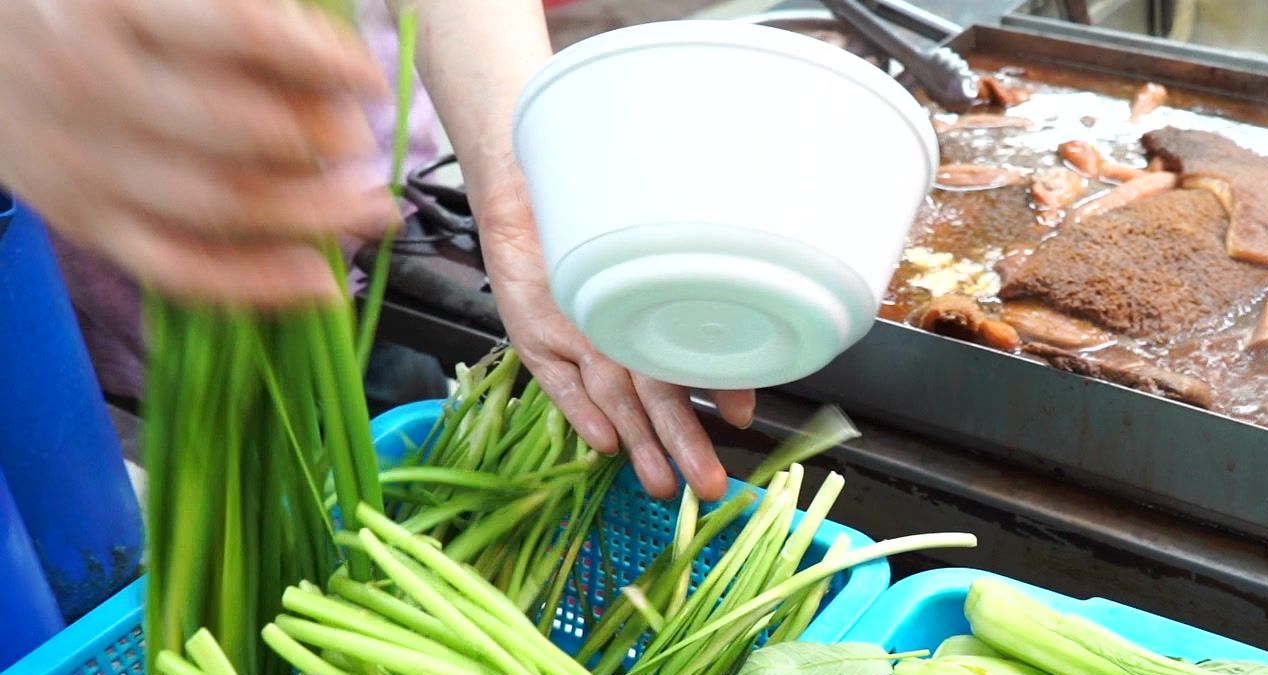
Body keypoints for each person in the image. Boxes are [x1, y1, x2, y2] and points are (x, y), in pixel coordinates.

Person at [0, 0, 753, 502]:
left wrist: (521, 176)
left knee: (389, 435)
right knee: (183, 493)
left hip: (360, 221)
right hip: (90, 270)